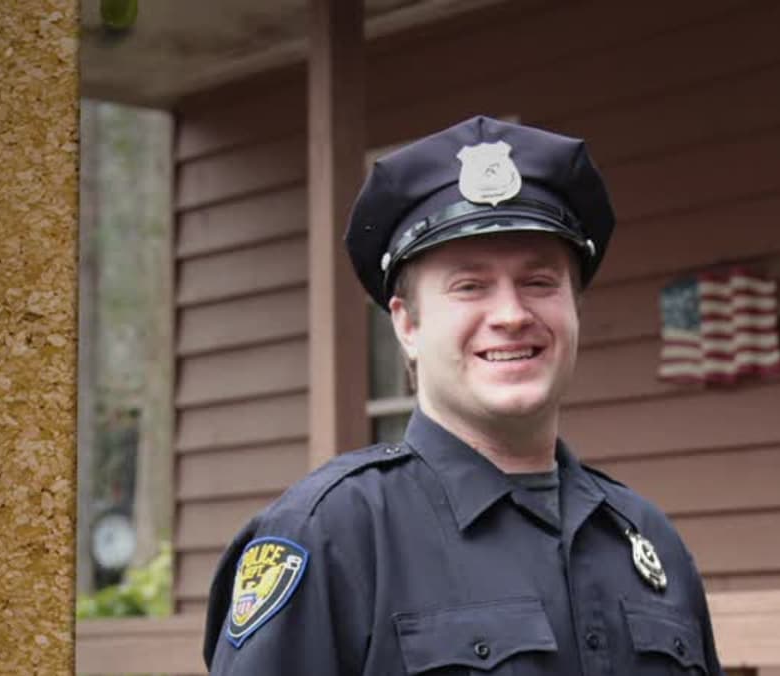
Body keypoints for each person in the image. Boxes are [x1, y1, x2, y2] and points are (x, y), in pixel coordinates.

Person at [202, 116, 723, 675]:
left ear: (575, 309)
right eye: (470, 286)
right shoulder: (332, 535)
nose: (511, 315)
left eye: (539, 282)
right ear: (407, 324)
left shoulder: (646, 539)